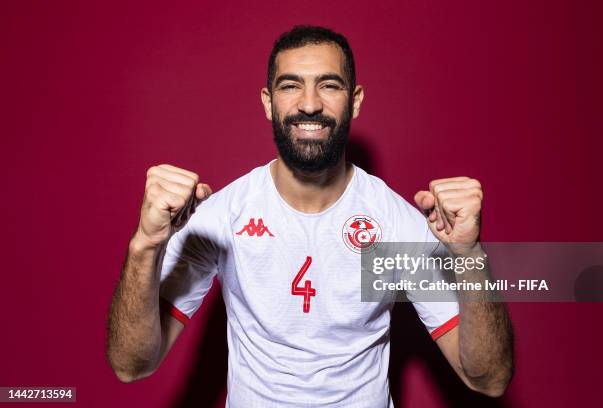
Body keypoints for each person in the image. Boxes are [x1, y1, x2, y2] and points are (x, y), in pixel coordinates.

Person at [106, 25, 514, 407]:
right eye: (290, 86)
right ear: (268, 103)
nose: (309, 104)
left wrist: (468, 252)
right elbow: (131, 364)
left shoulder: (393, 225)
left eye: (329, 85)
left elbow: (488, 378)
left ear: (354, 101)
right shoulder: (225, 216)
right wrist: (146, 244)